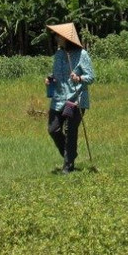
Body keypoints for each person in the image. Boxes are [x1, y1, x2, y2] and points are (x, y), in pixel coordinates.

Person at [45, 22, 95, 173]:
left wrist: (79, 78)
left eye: (58, 35)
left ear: (66, 38)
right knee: (53, 129)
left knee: (70, 131)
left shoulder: (82, 54)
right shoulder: (59, 54)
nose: (56, 38)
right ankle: (70, 154)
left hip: (74, 99)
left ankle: (68, 165)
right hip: (58, 98)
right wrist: (50, 79)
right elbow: (57, 74)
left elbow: (91, 77)